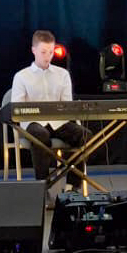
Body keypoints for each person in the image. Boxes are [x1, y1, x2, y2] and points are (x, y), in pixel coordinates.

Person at [10, 29, 89, 185]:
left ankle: (72, 186)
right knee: (40, 135)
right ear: (33, 50)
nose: (47, 56)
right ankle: (43, 185)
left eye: (51, 52)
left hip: (58, 122)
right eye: (43, 52)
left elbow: (67, 105)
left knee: (85, 135)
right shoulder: (21, 76)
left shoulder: (63, 74)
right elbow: (16, 109)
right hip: (33, 123)